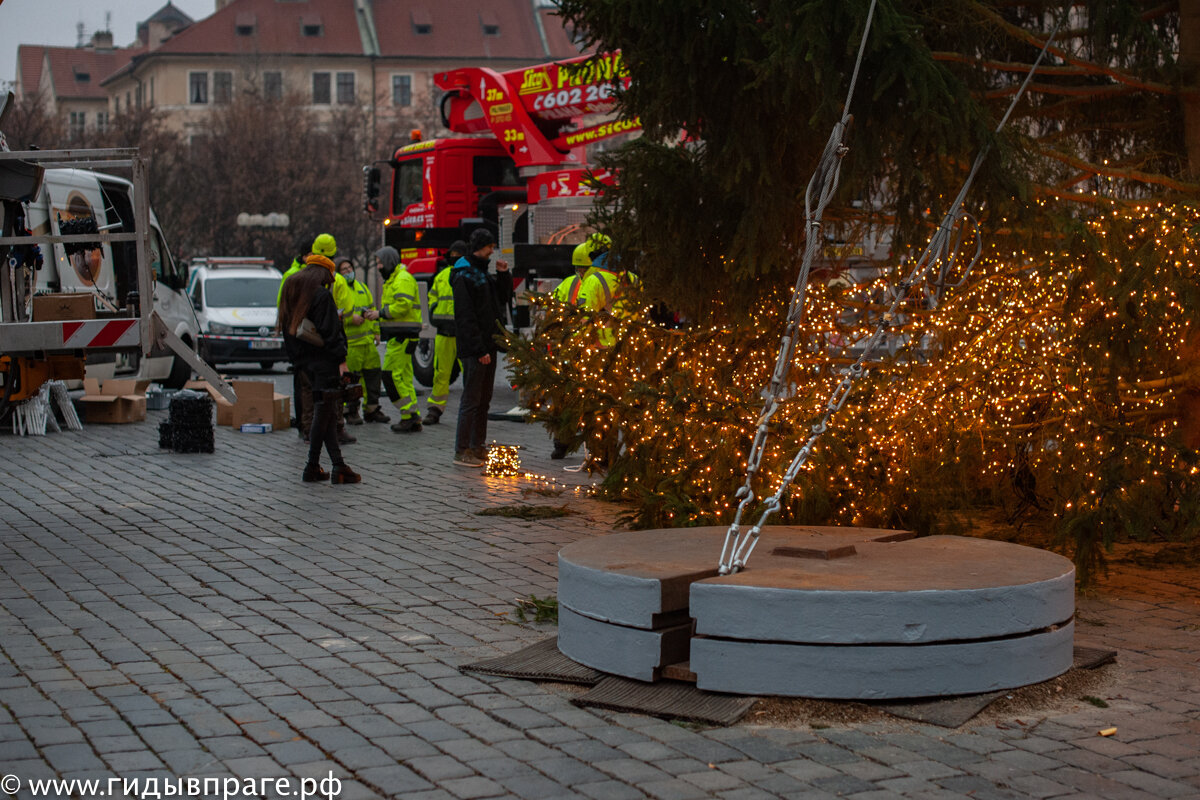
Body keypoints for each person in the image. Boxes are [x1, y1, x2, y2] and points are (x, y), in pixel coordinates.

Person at [278, 262, 361, 484]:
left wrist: (297, 360)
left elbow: (286, 327)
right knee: (324, 413)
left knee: (327, 414)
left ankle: (336, 466)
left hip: (304, 363)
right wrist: (341, 361)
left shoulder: (291, 289)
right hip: (324, 362)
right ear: (323, 273)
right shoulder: (321, 295)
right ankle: (314, 465)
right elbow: (331, 332)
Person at [450, 228, 512, 467]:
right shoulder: (465, 276)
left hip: (488, 346)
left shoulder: (482, 274)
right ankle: (462, 449)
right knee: (471, 399)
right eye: (490, 247)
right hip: (476, 349)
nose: (492, 251)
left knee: (484, 399)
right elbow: (466, 317)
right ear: (481, 247)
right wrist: (479, 349)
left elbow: (501, 301)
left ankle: (478, 446)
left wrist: (504, 275)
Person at [376, 246, 424, 432]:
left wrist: (379, 314)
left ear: (388, 261)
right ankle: (412, 416)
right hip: (403, 336)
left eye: (380, 262)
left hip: (402, 336)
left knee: (390, 375)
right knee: (403, 377)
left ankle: (408, 415)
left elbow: (402, 306)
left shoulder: (401, 279)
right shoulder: (396, 279)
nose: (379, 267)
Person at [422, 240, 468, 425]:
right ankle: (435, 409)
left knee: (469, 373)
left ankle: (470, 409)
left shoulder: (468, 275)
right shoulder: (441, 276)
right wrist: (434, 313)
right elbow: (432, 296)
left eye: (458, 254)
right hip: (444, 332)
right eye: (453, 254)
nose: (454, 257)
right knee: (441, 373)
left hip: (463, 333)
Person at [337, 258, 387, 425]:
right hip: (351, 345)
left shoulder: (363, 288)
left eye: (349, 268)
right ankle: (351, 411)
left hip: (367, 343)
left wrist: (376, 332)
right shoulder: (339, 291)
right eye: (343, 269)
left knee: (373, 375)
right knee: (351, 380)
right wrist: (351, 319)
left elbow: (372, 310)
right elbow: (335, 317)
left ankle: (372, 409)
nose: (347, 271)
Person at [553, 240, 592, 306]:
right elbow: (552, 302)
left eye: (585, 271)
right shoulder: (570, 282)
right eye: (579, 270)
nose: (581, 274)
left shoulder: (598, 284)